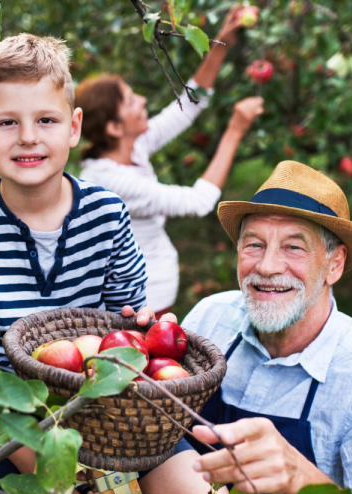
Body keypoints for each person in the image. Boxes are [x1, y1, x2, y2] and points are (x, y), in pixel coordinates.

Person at [0, 34, 225, 494]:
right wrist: (44, 462)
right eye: (7, 123)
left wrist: (145, 339)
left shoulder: (107, 215)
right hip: (8, 421)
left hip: (113, 412)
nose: (28, 137)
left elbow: (129, 334)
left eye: (46, 120)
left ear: (74, 127)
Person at [181, 161, 352, 494]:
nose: (267, 265)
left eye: (293, 247)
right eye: (254, 244)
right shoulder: (209, 319)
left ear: (334, 264)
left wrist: (298, 477)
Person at [75, 5, 264, 314]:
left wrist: (221, 40)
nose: (143, 100)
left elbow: (189, 105)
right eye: (130, 100)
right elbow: (199, 201)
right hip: (140, 304)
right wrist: (234, 130)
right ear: (113, 127)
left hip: (152, 291)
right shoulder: (110, 183)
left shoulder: (130, 148)